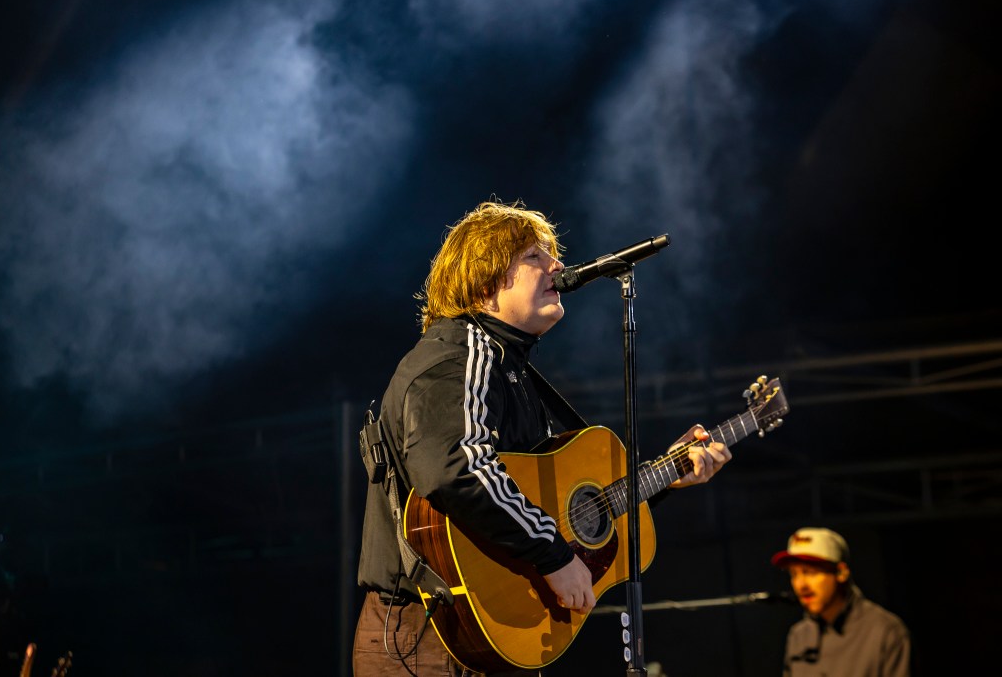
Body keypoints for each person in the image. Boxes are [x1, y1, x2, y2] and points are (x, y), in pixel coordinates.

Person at [353, 200, 732, 676]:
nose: (557, 265)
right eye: (535, 256)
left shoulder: (507, 367)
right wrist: (552, 555)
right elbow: (458, 469)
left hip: (478, 634)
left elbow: (554, 509)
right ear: (486, 281)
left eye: (552, 253)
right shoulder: (463, 353)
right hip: (428, 636)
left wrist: (668, 476)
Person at [771, 527, 911, 677]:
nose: (801, 584)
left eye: (810, 572)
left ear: (841, 572)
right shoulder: (798, 636)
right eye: (794, 574)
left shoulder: (886, 631)